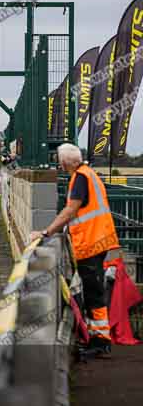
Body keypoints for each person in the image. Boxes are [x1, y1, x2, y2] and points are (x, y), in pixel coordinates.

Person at [30, 143, 120, 354]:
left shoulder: (79, 178)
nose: (59, 166)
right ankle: (97, 337)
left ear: (63, 163)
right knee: (94, 290)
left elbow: (70, 211)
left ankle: (100, 342)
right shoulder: (89, 174)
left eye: (59, 162)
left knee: (93, 293)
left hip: (90, 242)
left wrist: (46, 232)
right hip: (99, 240)